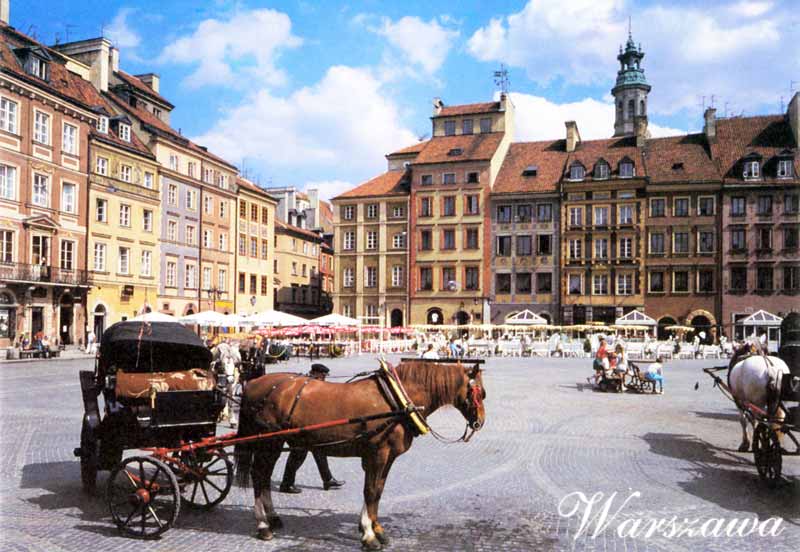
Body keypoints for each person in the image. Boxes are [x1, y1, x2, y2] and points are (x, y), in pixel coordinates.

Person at [280, 364, 344, 493]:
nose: (324, 380)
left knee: (319, 451)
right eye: (323, 376)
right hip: (300, 427)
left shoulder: (312, 383)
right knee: (298, 454)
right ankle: (286, 484)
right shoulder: (308, 385)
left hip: (309, 428)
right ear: (317, 374)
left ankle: (328, 480)